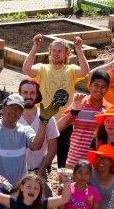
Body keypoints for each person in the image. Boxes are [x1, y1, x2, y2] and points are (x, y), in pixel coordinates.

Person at [23, 34, 90, 168]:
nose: (56, 53)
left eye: (60, 51)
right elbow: (26, 69)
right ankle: (41, 178)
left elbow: (85, 71)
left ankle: (61, 184)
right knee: (40, 155)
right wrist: (35, 47)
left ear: (66, 54)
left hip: (64, 122)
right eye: (53, 50)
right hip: (42, 121)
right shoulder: (42, 68)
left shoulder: (70, 70)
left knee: (62, 157)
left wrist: (79, 50)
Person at [17, 79, 62, 209]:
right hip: (18, 174)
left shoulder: (46, 116)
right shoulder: (13, 115)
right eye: (24, 93)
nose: (28, 96)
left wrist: (43, 168)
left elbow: (52, 146)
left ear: (37, 95)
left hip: (39, 171)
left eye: (31, 93)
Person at [58, 71, 110, 169]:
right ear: (89, 85)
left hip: (97, 164)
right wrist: (74, 112)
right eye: (96, 85)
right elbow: (58, 128)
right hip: (74, 161)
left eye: (103, 87)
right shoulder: (79, 103)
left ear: (107, 89)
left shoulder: (109, 109)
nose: (99, 89)